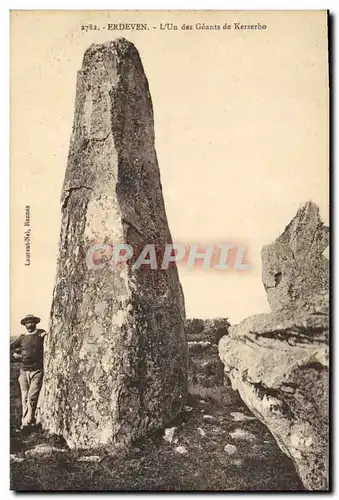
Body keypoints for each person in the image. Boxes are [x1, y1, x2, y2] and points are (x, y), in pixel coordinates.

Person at [10, 314, 47, 433]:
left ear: (35, 323)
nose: (29, 324)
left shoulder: (40, 334)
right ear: (24, 324)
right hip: (23, 371)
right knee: (25, 396)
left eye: (31, 322)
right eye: (27, 322)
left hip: (36, 370)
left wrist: (45, 335)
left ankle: (29, 421)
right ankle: (25, 423)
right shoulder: (21, 337)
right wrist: (16, 356)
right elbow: (10, 347)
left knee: (32, 396)